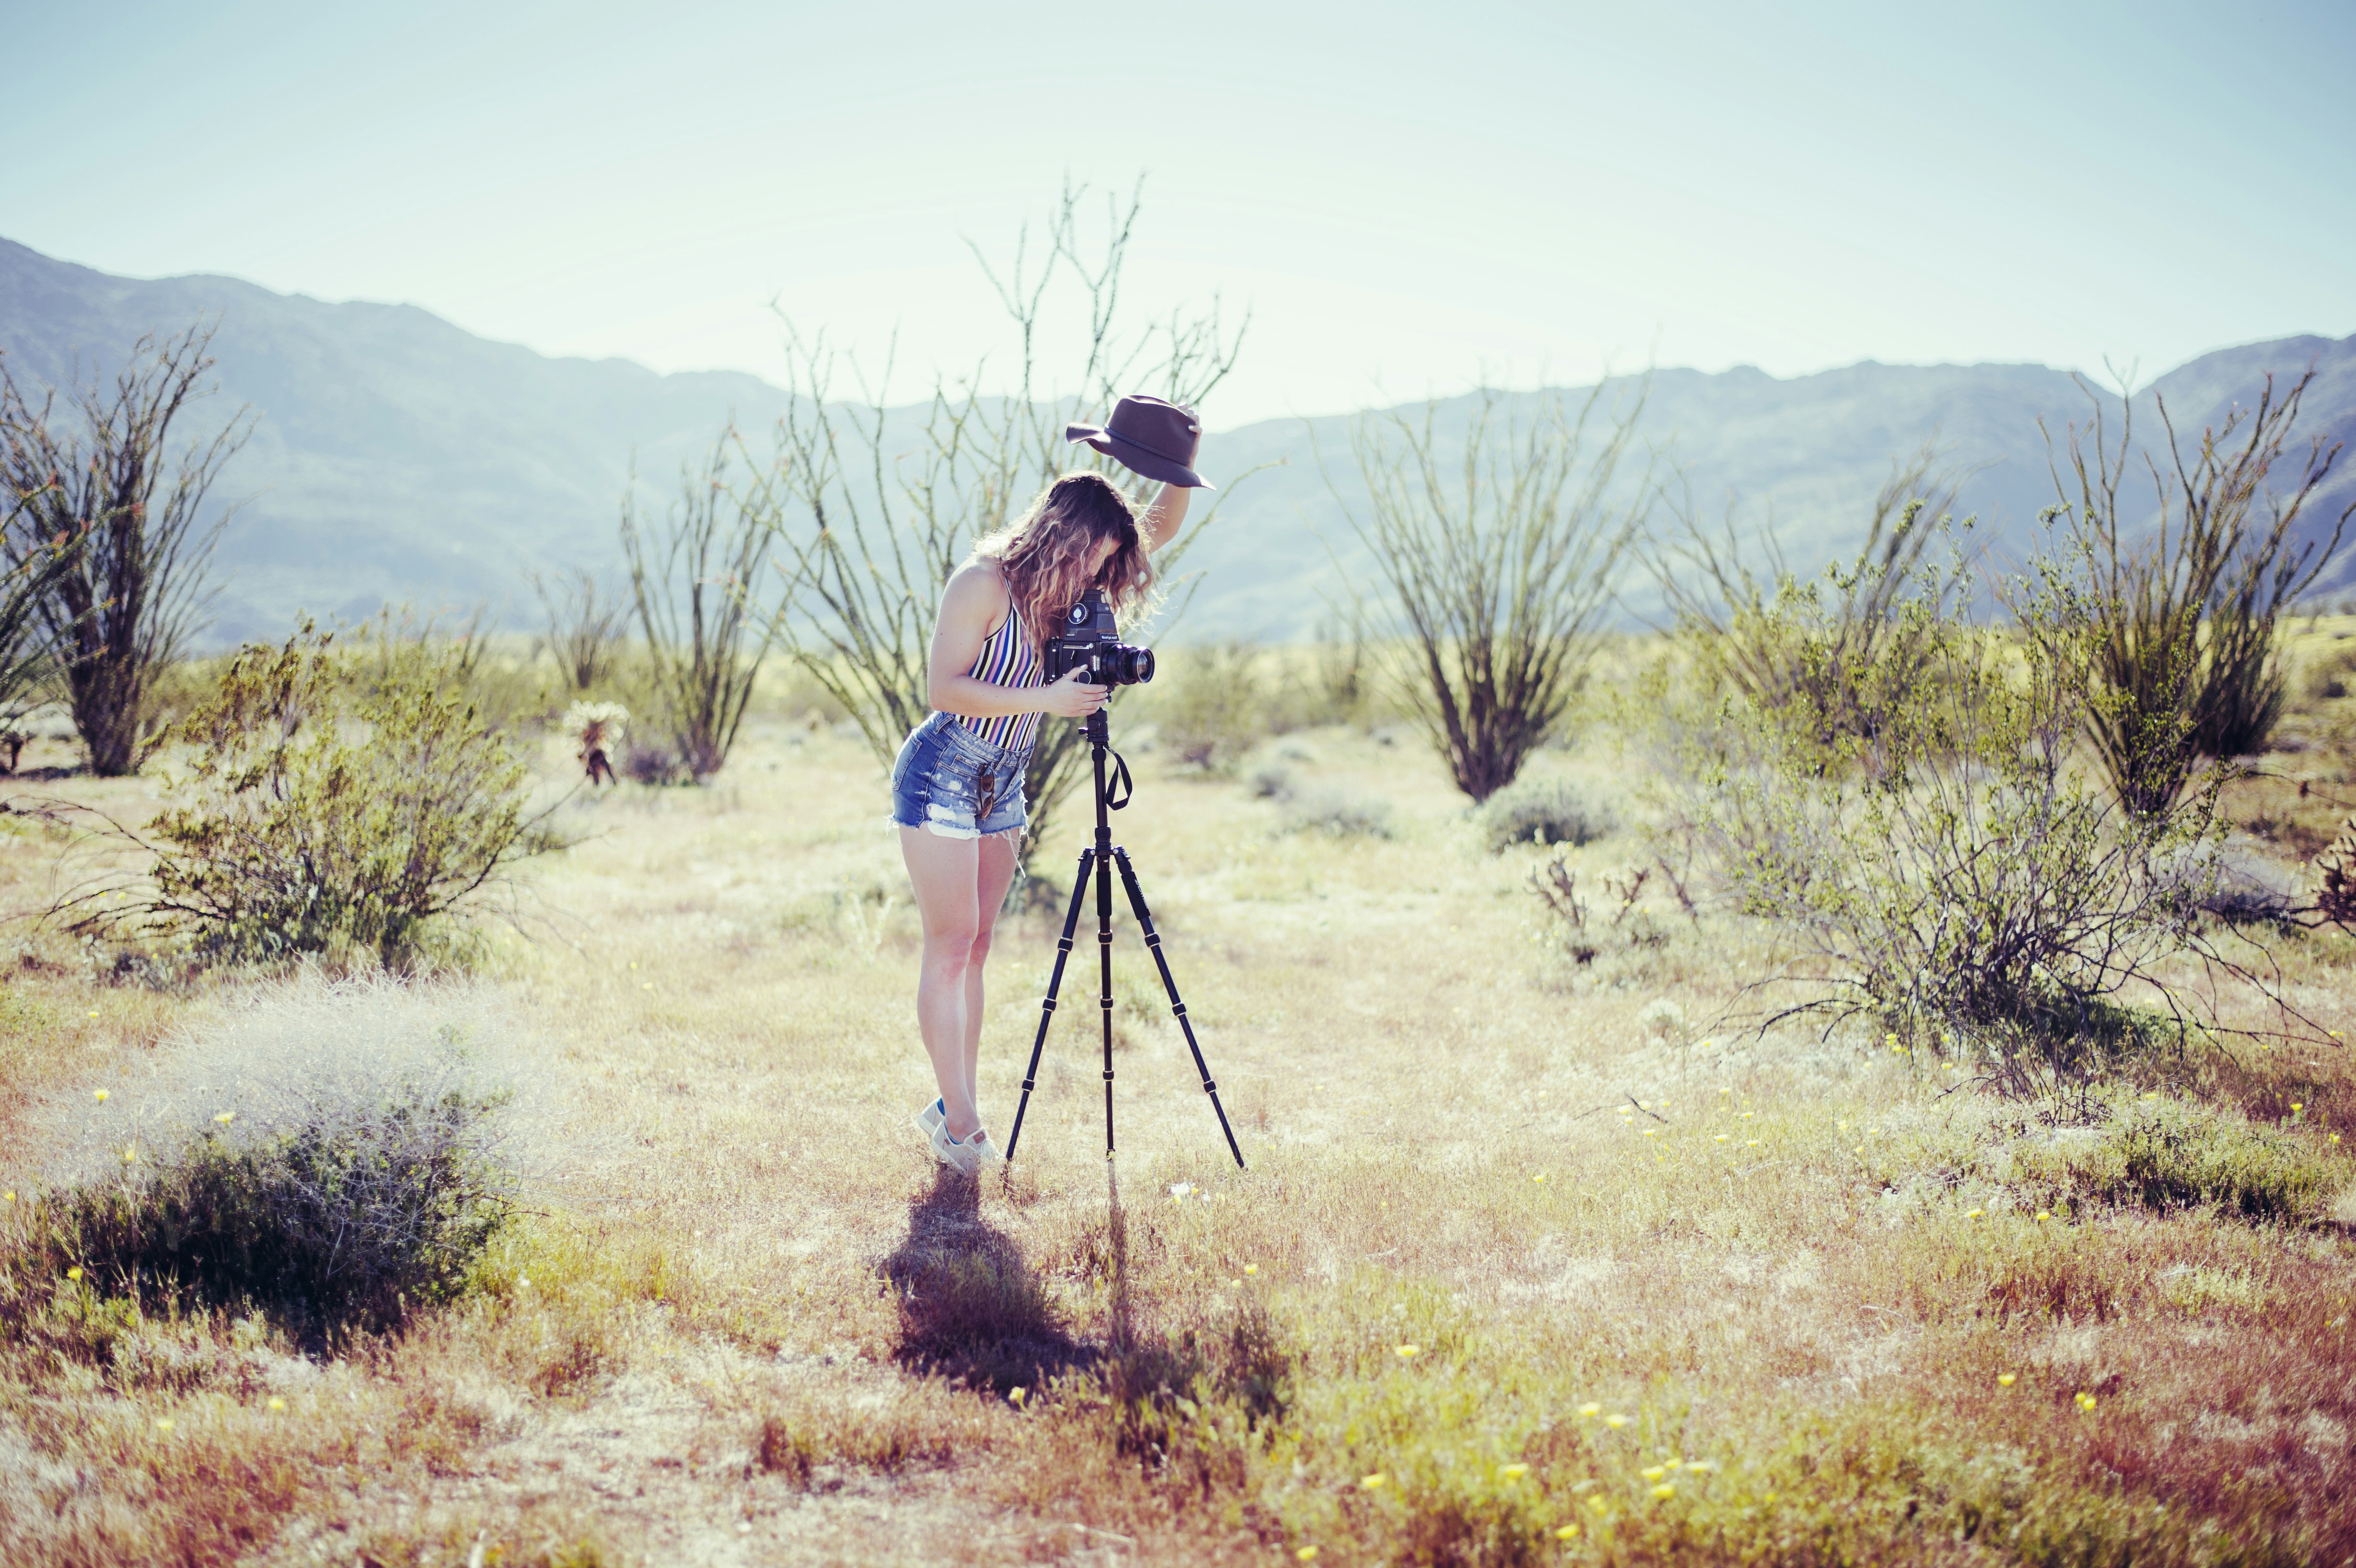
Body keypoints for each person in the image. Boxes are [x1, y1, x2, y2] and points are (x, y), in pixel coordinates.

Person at [891, 439, 1200, 1174]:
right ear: (1061, 535)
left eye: (1106, 563)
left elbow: (1159, 526)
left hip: (1005, 778)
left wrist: (1176, 455)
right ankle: (965, 1130)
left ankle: (950, 1105)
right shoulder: (983, 584)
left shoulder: (1073, 587)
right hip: (943, 770)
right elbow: (943, 688)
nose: (1099, 576)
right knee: (950, 942)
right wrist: (1047, 701)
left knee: (978, 945)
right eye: (1093, 555)